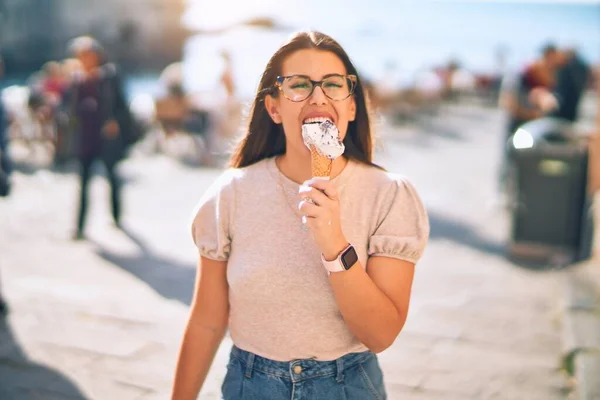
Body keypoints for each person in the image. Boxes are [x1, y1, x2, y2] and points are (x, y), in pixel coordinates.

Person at [171, 31, 430, 400]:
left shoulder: (389, 196)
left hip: (348, 387)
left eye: (333, 84)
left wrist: (334, 245)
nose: (318, 96)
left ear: (352, 106)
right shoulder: (232, 193)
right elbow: (207, 322)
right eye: (299, 85)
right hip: (249, 386)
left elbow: (381, 334)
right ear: (274, 108)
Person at [64, 36, 135, 240]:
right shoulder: (78, 79)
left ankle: (116, 216)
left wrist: (114, 121)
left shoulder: (109, 76)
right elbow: (71, 107)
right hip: (86, 137)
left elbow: (121, 104)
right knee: (84, 181)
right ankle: (79, 226)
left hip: (106, 138)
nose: (86, 59)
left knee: (112, 177)